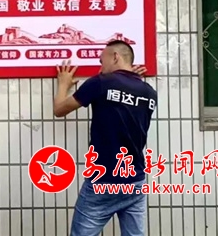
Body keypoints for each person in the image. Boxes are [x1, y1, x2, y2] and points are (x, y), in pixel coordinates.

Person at [53, 40, 156, 236]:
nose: (100, 67)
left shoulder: (100, 83)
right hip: (135, 180)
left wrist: (63, 84)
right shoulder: (149, 92)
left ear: (115, 57)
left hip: (104, 180)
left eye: (101, 61)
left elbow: (59, 109)